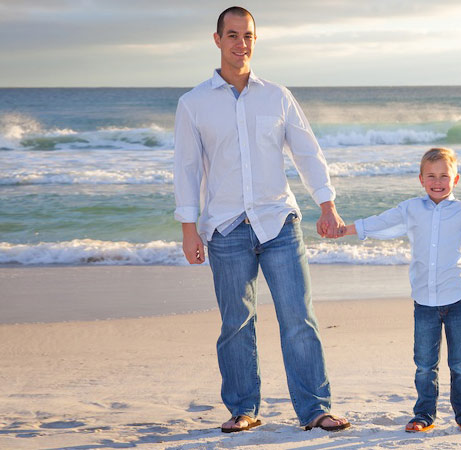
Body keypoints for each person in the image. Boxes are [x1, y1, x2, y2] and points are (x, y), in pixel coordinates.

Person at [173, 6, 350, 433]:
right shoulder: (193, 103)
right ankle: (243, 409)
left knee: (299, 318)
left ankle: (315, 409)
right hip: (225, 228)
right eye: (232, 35)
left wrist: (327, 204)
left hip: (278, 223)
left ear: (256, 40)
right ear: (217, 40)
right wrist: (188, 228)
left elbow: (307, 152)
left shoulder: (278, 96)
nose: (241, 43)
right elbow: (186, 169)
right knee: (235, 324)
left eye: (248, 35)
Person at [335, 147, 461, 433]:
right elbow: (382, 222)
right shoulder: (411, 209)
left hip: (458, 298)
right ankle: (424, 414)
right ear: (421, 179)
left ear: (456, 179)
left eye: (444, 176)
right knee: (425, 364)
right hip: (424, 301)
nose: (438, 181)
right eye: (431, 176)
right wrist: (346, 229)